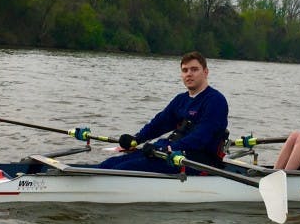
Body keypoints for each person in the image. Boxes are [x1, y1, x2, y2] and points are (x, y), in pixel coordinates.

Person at [97, 51, 228, 174]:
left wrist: (170, 148)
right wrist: (137, 139)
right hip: (170, 153)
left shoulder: (216, 101)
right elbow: (159, 123)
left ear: (205, 72)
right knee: (111, 163)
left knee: (124, 168)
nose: (189, 74)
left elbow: (202, 136)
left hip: (197, 161)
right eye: (185, 70)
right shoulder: (181, 99)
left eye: (194, 70)